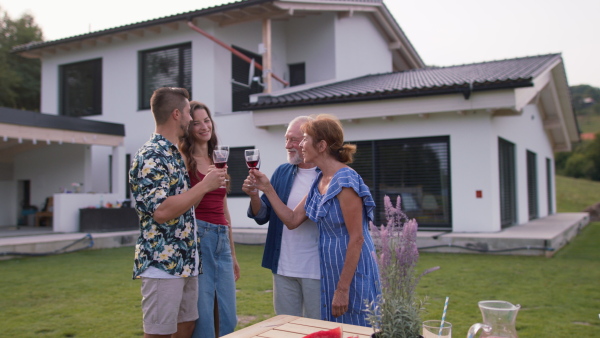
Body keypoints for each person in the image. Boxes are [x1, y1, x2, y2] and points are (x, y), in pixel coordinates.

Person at [250, 114, 380, 326]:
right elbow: (292, 220)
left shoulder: (346, 180)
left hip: (349, 275)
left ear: (321, 145)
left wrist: (342, 289)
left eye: (304, 139)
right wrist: (266, 188)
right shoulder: (320, 180)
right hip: (330, 273)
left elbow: (357, 238)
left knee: (352, 329)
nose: (299, 145)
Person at [129, 87, 226, 338]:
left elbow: (184, 205)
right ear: (175, 114)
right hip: (162, 263)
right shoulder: (151, 155)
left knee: (186, 328)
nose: (190, 119)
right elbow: (161, 211)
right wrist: (205, 185)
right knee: (159, 333)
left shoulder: (173, 154)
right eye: (186, 113)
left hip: (185, 261)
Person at [242, 116, 321, 319]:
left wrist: (267, 189)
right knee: (286, 328)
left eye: (294, 140)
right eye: (286, 139)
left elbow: (296, 219)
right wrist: (254, 196)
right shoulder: (282, 172)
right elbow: (262, 215)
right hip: (284, 266)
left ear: (308, 140)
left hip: (317, 270)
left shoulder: (326, 175)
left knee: (317, 329)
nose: (288, 145)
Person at [179, 101, 239, 338]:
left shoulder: (218, 160)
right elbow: (185, 208)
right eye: (196, 123)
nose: (204, 126)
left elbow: (224, 210)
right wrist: (205, 185)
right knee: (203, 316)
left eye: (207, 120)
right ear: (188, 128)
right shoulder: (184, 160)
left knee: (228, 316)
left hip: (221, 239)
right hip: (198, 238)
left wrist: (232, 254)